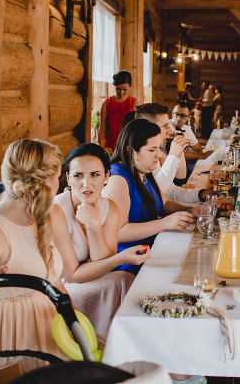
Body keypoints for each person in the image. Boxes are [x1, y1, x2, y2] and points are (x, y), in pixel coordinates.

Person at [0, 139, 68, 366]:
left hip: (51, 333)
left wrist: (75, 324)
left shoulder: (45, 217)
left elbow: (55, 282)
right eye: (59, 178)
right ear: (46, 181)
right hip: (8, 341)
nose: (60, 184)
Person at [50, 143, 150, 337]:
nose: (86, 184)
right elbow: (71, 275)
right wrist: (121, 258)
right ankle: (111, 343)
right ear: (68, 178)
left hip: (93, 278)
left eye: (94, 175)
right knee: (123, 281)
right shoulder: (56, 210)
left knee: (125, 280)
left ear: (106, 177)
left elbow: (103, 263)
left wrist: (93, 224)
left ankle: (126, 341)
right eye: (78, 175)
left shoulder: (110, 208)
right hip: (63, 290)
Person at [103, 119, 197, 274]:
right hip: (130, 260)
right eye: (152, 150)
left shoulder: (142, 169)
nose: (159, 155)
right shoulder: (118, 179)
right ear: (130, 151)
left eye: (159, 148)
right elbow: (118, 232)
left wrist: (190, 210)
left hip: (153, 246)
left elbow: (164, 203)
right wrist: (164, 224)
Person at [137, 104, 208, 205]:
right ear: (149, 128)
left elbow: (171, 189)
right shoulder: (139, 157)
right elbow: (157, 190)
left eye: (169, 125)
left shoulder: (157, 152)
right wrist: (173, 156)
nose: (170, 130)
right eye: (165, 126)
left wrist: (201, 194)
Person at [100, 70, 137, 149]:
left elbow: (137, 129)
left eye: (125, 90)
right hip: (110, 146)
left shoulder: (134, 103)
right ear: (114, 86)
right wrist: (101, 148)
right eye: (118, 89)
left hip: (128, 146)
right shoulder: (106, 103)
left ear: (129, 87)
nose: (121, 92)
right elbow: (102, 128)